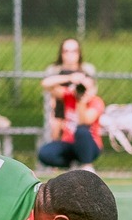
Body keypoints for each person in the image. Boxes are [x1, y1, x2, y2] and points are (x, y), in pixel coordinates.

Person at [39, 38, 102, 169]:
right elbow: (46, 84)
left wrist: (82, 102)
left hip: (89, 144)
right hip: (69, 142)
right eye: (66, 51)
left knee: (81, 132)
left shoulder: (96, 102)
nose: (70, 55)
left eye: (74, 51)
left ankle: (87, 166)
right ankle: (72, 166)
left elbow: (84, 121)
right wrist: (70, 78)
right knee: (45, 153)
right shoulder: (68, 96)